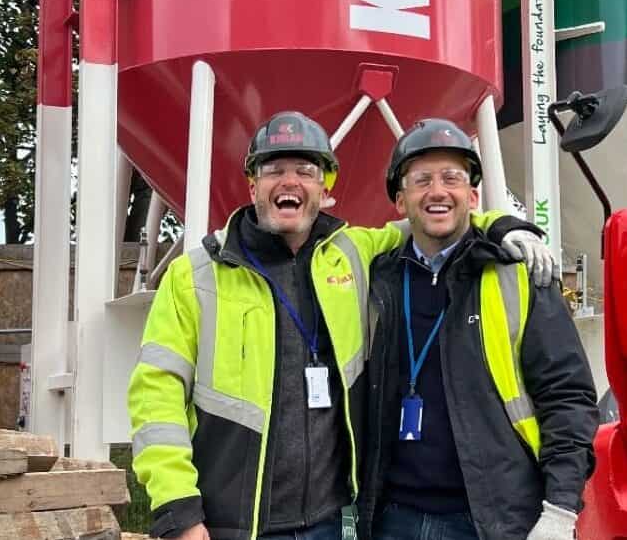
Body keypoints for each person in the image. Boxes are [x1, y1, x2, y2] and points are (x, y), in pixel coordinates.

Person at [128, 111, 555, 540]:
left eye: (306, 171)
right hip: (231, 525)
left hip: (329, 523)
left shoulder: (353, 253)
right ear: (253, 185)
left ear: (325, 188)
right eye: (274, 170)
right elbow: (156, 396)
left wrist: (503, 227)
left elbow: (434, 218)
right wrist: (179, 510)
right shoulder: (196, 274)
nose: (289, 182)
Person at [360, 119, 599, 540]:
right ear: (400, 201)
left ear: (472, 196)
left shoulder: (517, 274)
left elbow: (567, 397)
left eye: (452, 178)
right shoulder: (377, 278)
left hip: (493, 518)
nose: (437, 191)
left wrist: (561, 509)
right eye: (422, 180)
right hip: (392, 517)